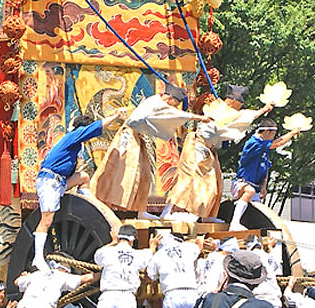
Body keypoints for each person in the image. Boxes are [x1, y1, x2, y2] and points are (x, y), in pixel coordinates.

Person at [91, 84, 210, 218]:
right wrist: (199, 118)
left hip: (136, 138)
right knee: (121, 171)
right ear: (169, 98)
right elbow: (174, 114)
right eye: (174, 103)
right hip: (128, 136)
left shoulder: (158, 103)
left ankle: (141, 211)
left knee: (144, 173)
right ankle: (106, 205)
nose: (173, 107)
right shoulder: (156, 102)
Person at [162, 85, 273, 221]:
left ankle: (206, 216)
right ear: (233, 101)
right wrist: (263, 110)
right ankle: (166, 211)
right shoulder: (220, 110)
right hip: (197, 146)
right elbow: (242, 117)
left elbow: (240, 117)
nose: (240, 107)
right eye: (240, 104)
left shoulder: (225, 110)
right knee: (187, 179)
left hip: (208, 149)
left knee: (213, 185)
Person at [33, 111, 123, 272]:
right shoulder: (73, 136)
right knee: (46, 220)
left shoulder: (74, 144)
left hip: (59, 182)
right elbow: (96, 126)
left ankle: (87, 203)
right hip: (49, 181)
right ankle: (37, 257)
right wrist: (115, 116)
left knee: (83, 177)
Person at [229, 118, 302, 230]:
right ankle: (234, 223)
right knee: (250, 191)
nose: (274, 137)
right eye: (273, 134)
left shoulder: (263, 149)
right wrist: (292, 133)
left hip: (256, 187)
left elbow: (265, 169)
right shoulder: (253, 143)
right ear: (267, 131)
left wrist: (263, 186)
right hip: (241, 184)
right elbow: (278, 143)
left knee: (257, 214)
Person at [246, 235, 282, 308]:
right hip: (274, 301)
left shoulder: (248, 257)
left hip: (260, 300)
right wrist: (270, 247)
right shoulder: (266, 256)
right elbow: (276, 266)